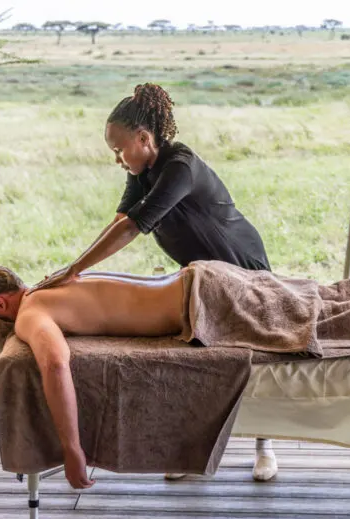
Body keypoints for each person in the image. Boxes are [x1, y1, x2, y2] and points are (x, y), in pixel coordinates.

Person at [0, 264, 350, 490]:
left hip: (208, 303)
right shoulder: (51, 287)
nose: (5, 330)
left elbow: (56, 363)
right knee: (328, 298)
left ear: (4, 302)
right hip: (202, 286)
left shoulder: (33, 311)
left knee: (326, 323)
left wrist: (73, 450)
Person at [37, 82, 276, 480]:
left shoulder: (179, 165)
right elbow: (119, 220)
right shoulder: (141, 171)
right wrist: (75, 267)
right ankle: (192, 456)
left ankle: (265, 446)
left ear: (144, 138)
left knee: (254, 359)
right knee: (201, 363)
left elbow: (134, 227)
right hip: (206, 278)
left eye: (119, 149)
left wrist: (74, 270)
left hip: (243, 267)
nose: (116, 159)